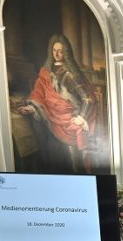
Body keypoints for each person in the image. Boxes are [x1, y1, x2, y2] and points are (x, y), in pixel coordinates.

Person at [17, 34, 98, 173]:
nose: (57, 54)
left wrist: (81, 117)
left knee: (74, 165)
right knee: (54, 159)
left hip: (68, 122)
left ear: (66, 53)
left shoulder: (70, 74)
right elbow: (40, 95)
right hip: (51, 120)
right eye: (54, 50)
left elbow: (87, 99)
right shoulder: (46, 73)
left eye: (60, 51)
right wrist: (32, 107)